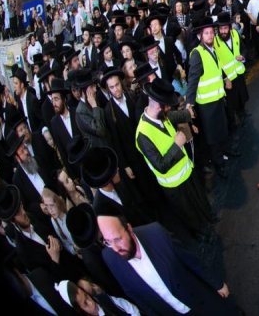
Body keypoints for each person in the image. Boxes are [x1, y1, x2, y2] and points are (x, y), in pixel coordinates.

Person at [96, 209, 238, 315]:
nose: (115, 248)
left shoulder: (156, 233)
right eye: (108, 242)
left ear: (129, 229)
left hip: (201, 300)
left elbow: (190, 260)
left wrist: (216, 283)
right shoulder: (109, 257)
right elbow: (136, 297)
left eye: (118, 239)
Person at [136, 77, 216, 239]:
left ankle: (208, 218)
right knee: (189, 212)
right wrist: (177, 145)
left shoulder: (161, 116)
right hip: (174, 184)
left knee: (199, 200)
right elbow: (160, 165)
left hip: (186, 170)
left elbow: (172, 116)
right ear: (158, 105)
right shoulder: (142, 135)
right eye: (167, 106)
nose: (169, 109)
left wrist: (187, 113)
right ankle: (201, 234)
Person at [186, 16, 235, 179]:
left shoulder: (212, 49)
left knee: (222, 129)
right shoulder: (197, 54)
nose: (210, 36)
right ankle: (218, 163)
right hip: (207, 105)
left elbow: (217, 68)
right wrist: (189, 103)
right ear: (200, 36)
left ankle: (225, 151)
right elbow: (192, 79)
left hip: (218, 99)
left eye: (211, 33)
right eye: (206, 33)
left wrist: (226, 78)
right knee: (212, 136)